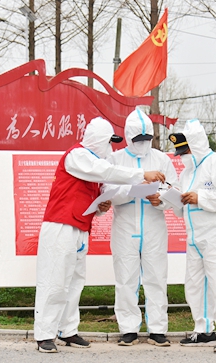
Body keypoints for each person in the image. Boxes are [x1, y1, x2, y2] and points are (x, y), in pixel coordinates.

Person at [34, 116, 166, 353]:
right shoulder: (78, 155)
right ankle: (44, 334)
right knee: (54, 281)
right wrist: (141, 175)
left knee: (74, 282)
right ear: (98, 139)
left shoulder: (92, 165)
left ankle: (68, 330)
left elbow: (92, 194)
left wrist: (99, 207)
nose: (111, 147)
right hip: (60, 227)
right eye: (109, 141)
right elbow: (105, 171)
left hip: (79, 227)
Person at [102, 109, 178, 347]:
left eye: (147, 139)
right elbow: (108, 192)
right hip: (125, 227)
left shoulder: (161, 159)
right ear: (128, 136)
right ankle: (128, 328)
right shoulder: (115, 160)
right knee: (126, 278)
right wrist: (137, 187)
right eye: (138, 140)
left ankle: (157, 329)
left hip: (154, 226)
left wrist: (161, 199)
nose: (143, 144)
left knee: (156, 277)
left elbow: (174, 189)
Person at [168, 119, 216, 353]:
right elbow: (183, 207)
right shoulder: (187, 172)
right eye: (180, 152)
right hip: (195, 239)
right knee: (194, 286)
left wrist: (200, 197)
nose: (183, 156)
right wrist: (170, 202)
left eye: (186, 150)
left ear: (197, 144)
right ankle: (203, 330)